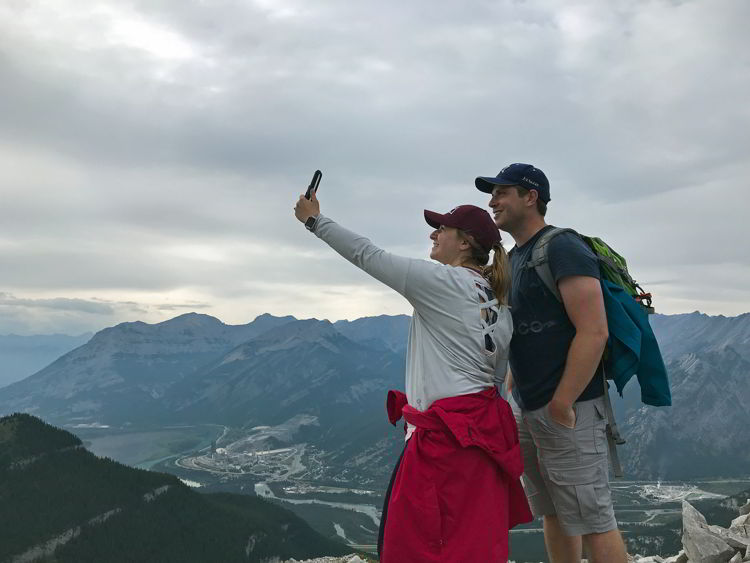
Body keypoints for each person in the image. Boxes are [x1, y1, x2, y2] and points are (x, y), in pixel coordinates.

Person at [294, 188, 532, 562]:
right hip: (482, 439)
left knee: (416, 543)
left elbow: (368, 255)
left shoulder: (442, 283)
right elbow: (494, 376)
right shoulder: (497, 302)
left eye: (443, 229)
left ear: (465, 243)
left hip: (443, 443)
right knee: (470, 541)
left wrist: (315, 220)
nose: (434, 234)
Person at [475, 163, 628, 563]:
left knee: (594, 519)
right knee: (554, 511)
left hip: (569, 408)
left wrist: (562, 403)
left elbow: (593, 331)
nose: (492, 201)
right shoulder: (515, 256)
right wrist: (514, 378)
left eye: (502, 192)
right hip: (530, 405)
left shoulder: (561, 247)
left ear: (530, 197)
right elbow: (531, 324)